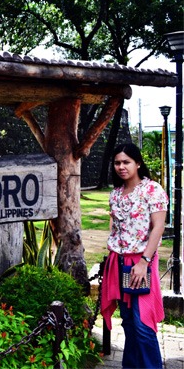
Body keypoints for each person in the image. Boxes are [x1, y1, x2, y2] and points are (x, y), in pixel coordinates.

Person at [101, 142, 167, 369]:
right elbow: (116, 227)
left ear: (137, 163)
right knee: (128, 321)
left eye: (126, 162)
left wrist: (144, 262)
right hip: (117, 262)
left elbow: (158, 227)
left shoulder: (152, 190)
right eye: (117, 162)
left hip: (140, 262)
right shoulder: (115, 194)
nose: (121, 166)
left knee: (142, 324)